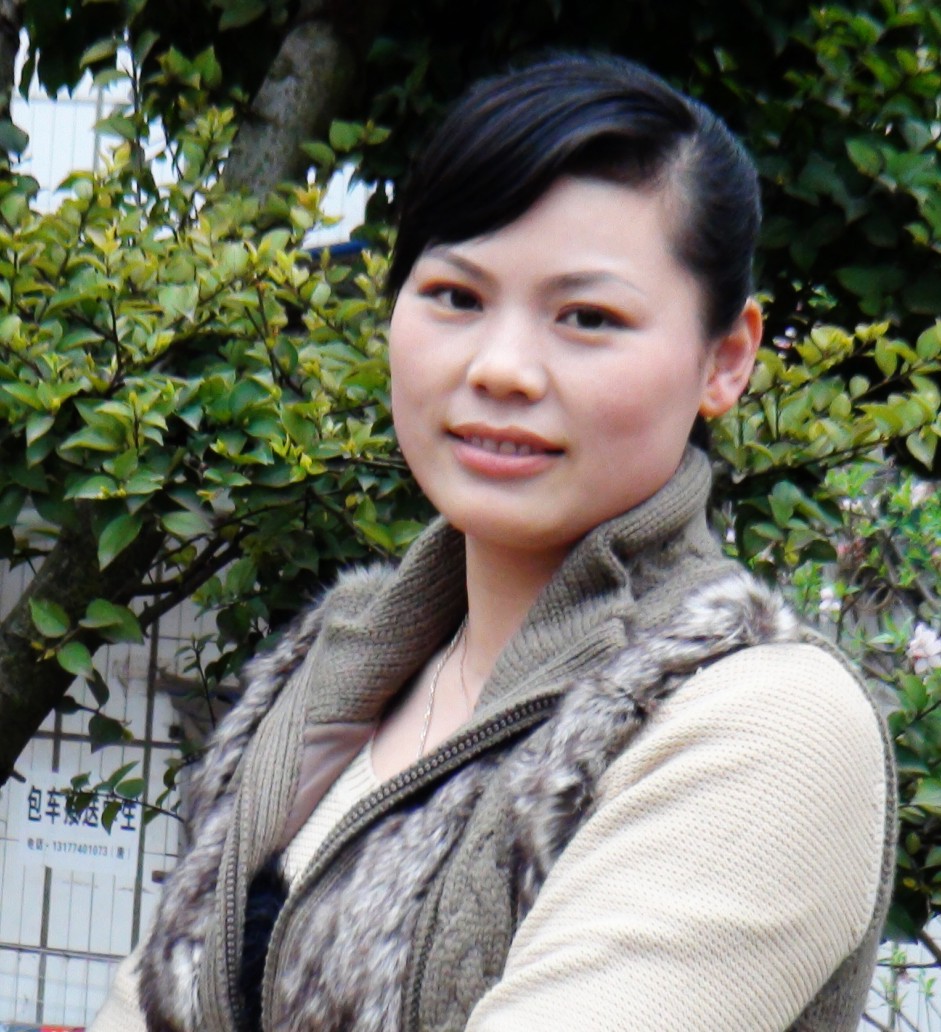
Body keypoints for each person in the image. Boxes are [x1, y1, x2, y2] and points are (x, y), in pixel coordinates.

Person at [91, 53, 895, 1032]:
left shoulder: (764, 718)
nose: (502, 368)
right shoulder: (334, 663)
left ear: (724, 360)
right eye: (456, 298)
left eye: (587, 317)